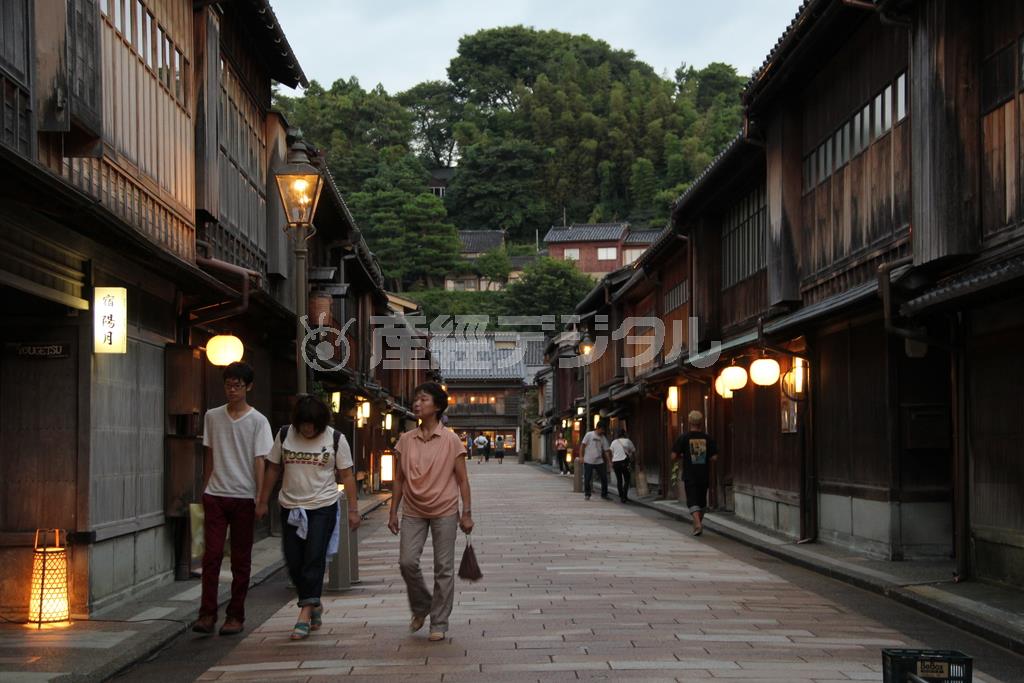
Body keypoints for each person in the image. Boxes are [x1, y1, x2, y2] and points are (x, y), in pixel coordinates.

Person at [256, 395, 360, 640]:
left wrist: (354, 510)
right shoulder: (284, 435)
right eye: (303, 424)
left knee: (314, 558)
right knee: (294, 561)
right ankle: (313, 603)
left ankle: (304, 613)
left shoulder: (335, 439)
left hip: (322, 506)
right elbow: (273, 468)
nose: (307, 429)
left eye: (312, 424)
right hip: (291, 506)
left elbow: (346, 476)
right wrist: (262, 501)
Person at [388, 382, 473, 642]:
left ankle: (439, 621)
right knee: (407, 562)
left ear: (437, 406)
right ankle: (422, 605)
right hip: (413, 510)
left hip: (445, 509)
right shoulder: (405, 440)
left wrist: (466, 513)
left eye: (423, 399)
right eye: (416, 399)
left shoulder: (451, 441)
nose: (416, 403)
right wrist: (393, 511)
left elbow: (462, 480)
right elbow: (399, 480)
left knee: (443, 568)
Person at [193, 362, 274, 636]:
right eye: (228, 384)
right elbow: (209, 454)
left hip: (244, 497)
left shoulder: (258, 421)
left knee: (241, 559)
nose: (232, 390)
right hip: (215, 494)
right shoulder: (212, 416)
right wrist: (204, 489)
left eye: (238, 385)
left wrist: (261, 499)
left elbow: (260, 460)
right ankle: (206, 614)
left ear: (248, 387)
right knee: (211, 556)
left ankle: (235, 615)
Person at [670, 410, 718, 536]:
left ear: (689, 422)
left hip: (690, 474)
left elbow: (673, 456)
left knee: (692, 499)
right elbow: (714, 458)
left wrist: (683, 456)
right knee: (701, 502)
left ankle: (697, 523)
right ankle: (697, 524)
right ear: (701, 423)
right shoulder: (708, 438)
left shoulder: (684, 438)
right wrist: (703, 456)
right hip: (703, 474)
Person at [579, 420, 611, 501]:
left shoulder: (603, 438)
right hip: (588, 460)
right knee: (587, 478)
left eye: (604, 430)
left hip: (599, 461)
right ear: (597, 428)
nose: (602, 431)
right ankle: (587, 494)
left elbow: (606, 450)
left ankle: (604, 494)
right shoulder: (589, 435)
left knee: (604, 478)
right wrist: (581, 457)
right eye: (602, 429)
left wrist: (609, 461)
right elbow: (582, 446)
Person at [609, 428, 636, 503]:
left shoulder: (614, 442)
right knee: (627, 479)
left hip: (615, 462)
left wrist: (612, 460)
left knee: (619, 480)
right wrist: (631, 458)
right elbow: (633, 450)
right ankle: (624, 496)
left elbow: (611, 451)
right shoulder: (628, 441)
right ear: (624, 433)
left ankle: (621, 496)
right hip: (624, 462)